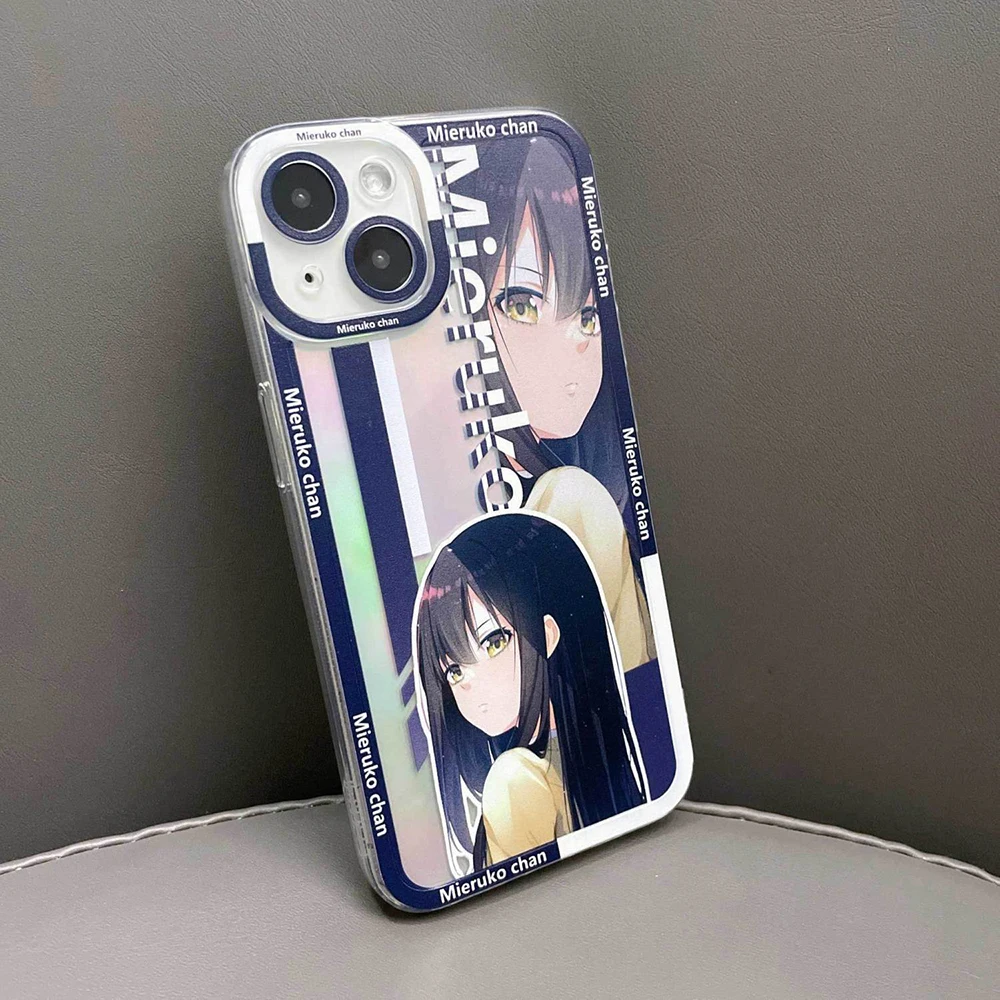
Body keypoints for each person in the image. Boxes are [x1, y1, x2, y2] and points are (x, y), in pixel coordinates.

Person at [414, 512, 647, 875]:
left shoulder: (514, 779)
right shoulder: (583, 768)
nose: (470, 684)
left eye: (493, 642)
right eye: (454, 671)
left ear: (548, 635)